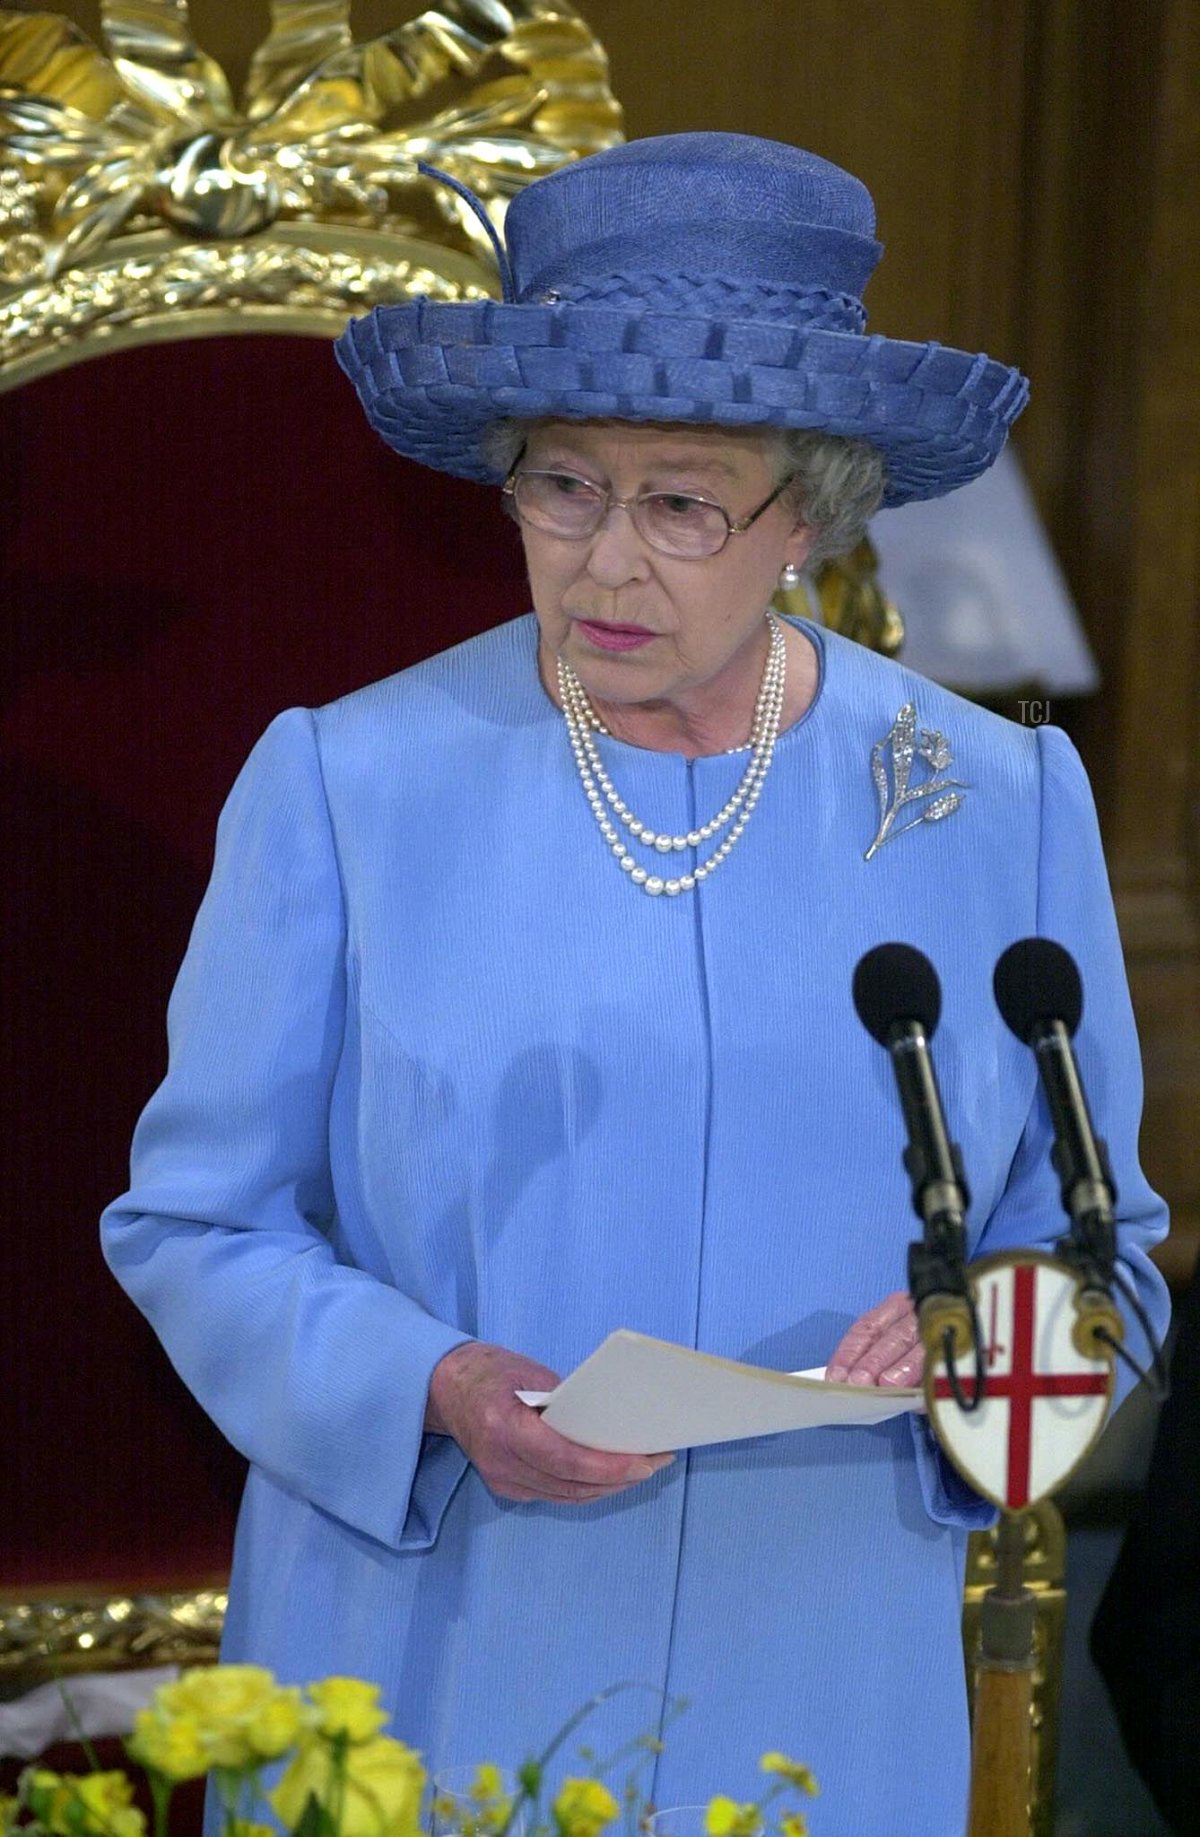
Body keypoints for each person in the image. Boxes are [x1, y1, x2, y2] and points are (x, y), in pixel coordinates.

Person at [100, 134, 1169, 1837]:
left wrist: (1006, 1334)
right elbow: (196, 1225)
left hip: (824, 1659)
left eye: (679, 501)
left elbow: (1105, 1249)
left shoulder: (999, 805)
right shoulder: (343, 785)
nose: (603, 562)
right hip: (428, 1638)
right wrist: (431, 1386)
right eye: (560, 486)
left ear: (808, 513)